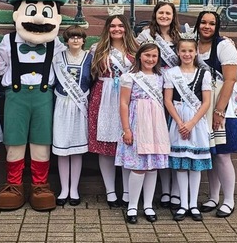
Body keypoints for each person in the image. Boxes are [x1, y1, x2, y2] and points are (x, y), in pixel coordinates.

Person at [0, 0, 67, 212]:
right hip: (16, 96)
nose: (38, 17)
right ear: (17, 15)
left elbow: (68, 67)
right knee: (14, 139)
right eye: (31, 10)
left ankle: (39, 185)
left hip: (44, 98)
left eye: (46, 12)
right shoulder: (8, 41)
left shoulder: (58, 46)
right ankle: (14, 185)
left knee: (41, 141)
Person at [193, 11, 237, 219]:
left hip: (224, 106)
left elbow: (230, 80)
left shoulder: (224, 46)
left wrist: (220, 110)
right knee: (212, 152)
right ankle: (213, 196)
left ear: (217, 26)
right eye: (203, 22)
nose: (206, 26)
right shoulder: (194, 44)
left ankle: (229, 200)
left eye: (211, 23)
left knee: (223, 154)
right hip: (205, 106)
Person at [116, 43, 170, 224]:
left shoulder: (161, 77)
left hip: (156, 125)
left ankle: (148, 205)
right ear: (140, 56)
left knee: (152, 166)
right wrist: (126, 129)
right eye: (147, 55)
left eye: (154, 56)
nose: (150, 59)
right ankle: (132, 205)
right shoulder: (130, 77)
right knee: (138, 167)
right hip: (137, 123)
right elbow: (123, 103)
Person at [89, 15, 138, 208]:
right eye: (112, 26)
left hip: (128, 97)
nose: (116, 29)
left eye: (120, 25)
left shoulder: (135, 49)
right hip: (104, 96)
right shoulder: (97, 49)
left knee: (127, 145)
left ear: (126, 28)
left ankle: (127, 191)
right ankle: (110, 191)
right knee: (105, 146)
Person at [136, 1, 182, 208]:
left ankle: (174, 191)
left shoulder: (180, 36)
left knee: (173, 140)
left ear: (173, 16)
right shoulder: (146, 35)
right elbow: (132, 53)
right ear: (155, 15)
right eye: (161, 12)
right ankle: (164, 191)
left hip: (176, 91)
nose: (164, 16)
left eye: (168, 13)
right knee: (159, 141)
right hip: (152, 91)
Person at [164, 39, 212, 221]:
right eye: (183, 50)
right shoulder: (171, 73)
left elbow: (206, 101)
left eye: (190, 51)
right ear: (178, 52)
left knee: (195, 165)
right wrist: (179, 122)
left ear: (195, 52)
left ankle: (193, 204)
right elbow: (167, 100)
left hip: (196, 121)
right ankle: (183, 204)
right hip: (177, 119)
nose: (187, 54)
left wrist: (191, 123)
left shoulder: (203, 74)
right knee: (182, 164)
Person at [52, 25, 93, 206]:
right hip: (61, 104)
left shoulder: (90, 58)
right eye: (71, 37)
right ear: (66, 40)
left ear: (84, 40)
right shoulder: (57, 59)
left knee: (76, 150)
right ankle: (63, 189)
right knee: (62, 149)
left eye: (78, 37)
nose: (75, 40)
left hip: (80, 106)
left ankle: (74, 189)